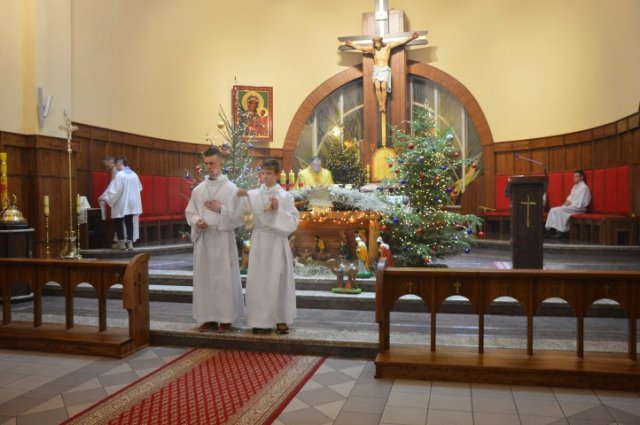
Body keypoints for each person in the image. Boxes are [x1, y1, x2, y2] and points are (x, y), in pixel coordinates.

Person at [185, 146, 245, 333]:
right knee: (205, 279)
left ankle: (226, 318)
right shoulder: (199, 190)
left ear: (221, 162)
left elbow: (240, 216)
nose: (209, 167)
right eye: (206, 164)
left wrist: (221, 209)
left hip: (222, 238)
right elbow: (190, 212)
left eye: (212, 163)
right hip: (204, 238)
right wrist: (197, 220)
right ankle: (208, 317)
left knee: (223, 279)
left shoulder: (231, 189)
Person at [238, 159, 300, 335]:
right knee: (259, 281)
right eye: (263, 173)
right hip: (259, 241)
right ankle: (260, 320)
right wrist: (241, 202)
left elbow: (293, 223)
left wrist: (278, 209)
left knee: (279, 280)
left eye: (269, 173)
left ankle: (281, 318)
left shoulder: (286, 197)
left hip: (277, 242)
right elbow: (246, 221)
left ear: (277, 175)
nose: (265, 177)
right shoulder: (252, 195)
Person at [345, 33, 418, 112]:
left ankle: (383, 104)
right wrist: (351, 44)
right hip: (377, 70)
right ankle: (380, 104)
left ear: (380, 42)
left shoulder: (387, 48)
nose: (377, 45)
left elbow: (399, 42)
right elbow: (361, 48)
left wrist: (411, 37)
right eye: (375, 43)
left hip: (385, 69)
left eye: (378, 43)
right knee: (377, 87)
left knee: (383, 87)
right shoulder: (373, 50)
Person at [102, 156, 142, 250]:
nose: (115, 167)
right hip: (131, 203)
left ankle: (121, 243)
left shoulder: (120, 175)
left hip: (121, 202)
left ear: (119, 163)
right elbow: (140, 188)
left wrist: (107, 198)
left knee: (119, 222)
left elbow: (116, 191)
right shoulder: (134, 174)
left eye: (115, 164)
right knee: (129, 222)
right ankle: (130, 243)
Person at [545, 170, 592, 238]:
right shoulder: (574, 187)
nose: (574, 178)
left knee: (561, 210)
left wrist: (570, 203)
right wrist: (563, 205)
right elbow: (569, 199)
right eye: (574, 176)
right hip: (572, 207)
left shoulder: (584, 187)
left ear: (582, 177)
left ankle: (561, 231)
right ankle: (551, 230)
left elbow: (582, 202)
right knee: (553, 209)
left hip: (579, 208)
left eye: (576, 176)